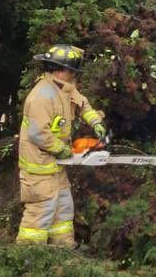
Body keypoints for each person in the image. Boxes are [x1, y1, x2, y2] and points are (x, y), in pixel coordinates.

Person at [16, 44, 108, 246]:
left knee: (63, 208)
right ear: (59, 70)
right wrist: (64, 149)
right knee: (41, 212)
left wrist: (96, 122)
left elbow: (83, 105)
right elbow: (38, 133)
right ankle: (28, 256)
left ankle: (63, 249)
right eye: (72, 71)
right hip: (38, 168)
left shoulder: (65, 88)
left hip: (56, 166)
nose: (74, 75)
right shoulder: (41, 96)